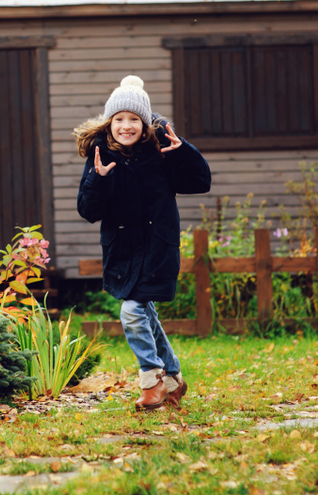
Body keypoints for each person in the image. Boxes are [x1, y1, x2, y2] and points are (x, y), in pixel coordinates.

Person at [75, 75, 211, 410]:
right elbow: (88, 211)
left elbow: (200, 182)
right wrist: (98, 179)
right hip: (122, 248)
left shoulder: (162, 152)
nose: (126, 125)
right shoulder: (100, 154)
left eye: (133, 119)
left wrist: (184, 154)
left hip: (157, 246)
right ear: (109, 123)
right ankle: (173, 378)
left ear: (144, 123)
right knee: (144, 310)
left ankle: (151, 379)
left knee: (132, 311)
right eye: (119, 119)